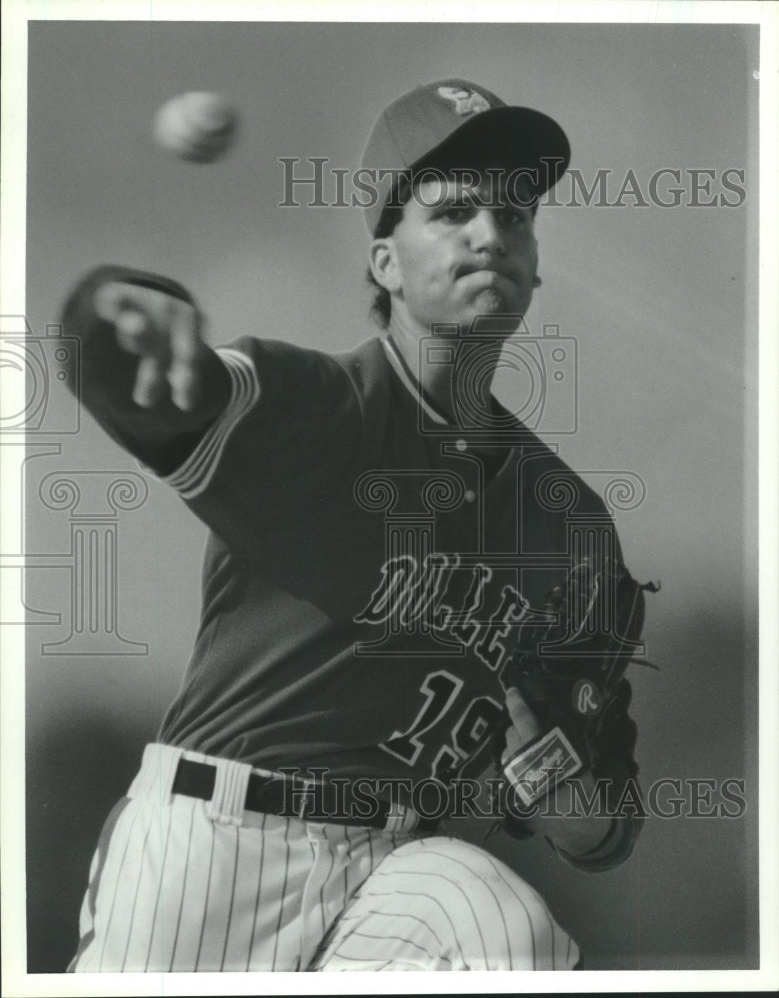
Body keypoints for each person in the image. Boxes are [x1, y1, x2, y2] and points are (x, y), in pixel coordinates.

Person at [62, 78, 645, 973]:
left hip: (390, 868)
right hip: (212, 849)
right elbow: (156, 387)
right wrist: (114, 306)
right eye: (452, 212)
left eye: (514, 217)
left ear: (534, 266)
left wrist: (563, 783)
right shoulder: (317, 406)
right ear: (383, 264)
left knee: (500, 931)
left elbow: (602, 830)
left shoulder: (570, 532)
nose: (490, 234)